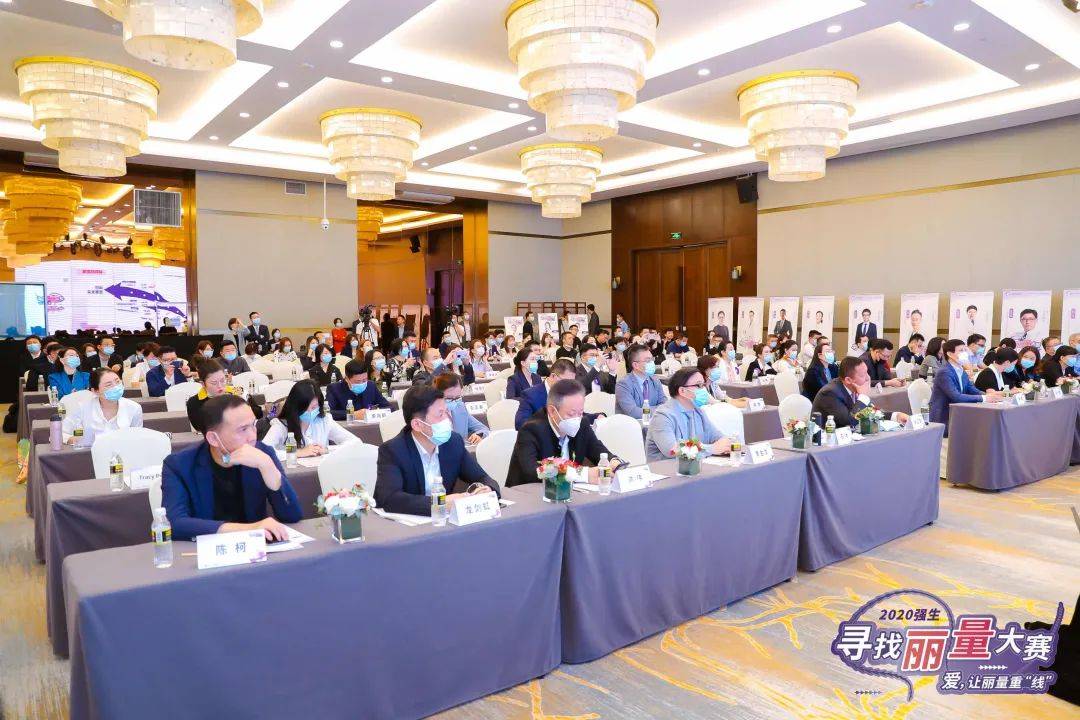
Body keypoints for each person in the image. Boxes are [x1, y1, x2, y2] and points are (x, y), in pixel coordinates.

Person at [162, 394, 301, 542]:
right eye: (243, 429)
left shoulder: (263, 454)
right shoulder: (180, 465)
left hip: (256, 549)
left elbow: (292, 515)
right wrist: (250, 529)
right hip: (206, 549)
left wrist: (269, 468)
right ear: (213, 439)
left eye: (253, 425)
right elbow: (174, 524)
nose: (252, 436)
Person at [374, 384, 500, 514]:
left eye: (446, 412)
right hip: (410, 522)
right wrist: (440, 503)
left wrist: (488, 489)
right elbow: (390, 499)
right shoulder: (392, 450)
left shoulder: (453, 442)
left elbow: (482, 477)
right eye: (440, 415)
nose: (448, 419)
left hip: (445, 520)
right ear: (417, 424)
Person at [506, 379, 620, 487]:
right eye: (571, 414)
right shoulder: (530, 430)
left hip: (570, 493)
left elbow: (598, 449)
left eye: (580, 412)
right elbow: (532, 472)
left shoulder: (582, 423)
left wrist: (614, 462)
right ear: (552, 411)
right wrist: (582, 474)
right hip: (528, 494)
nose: (576, 419)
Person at [645, 368, 732, 461]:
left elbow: (719, 438)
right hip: (666, 468)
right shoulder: (663, 416)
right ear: (682, 391)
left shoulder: (699, 412)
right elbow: (672, 450)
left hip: (694, 465)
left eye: (703, 385)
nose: (703, 390)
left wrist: (724, 445)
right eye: (699, 385)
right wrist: (711, 449)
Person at [263, 379, 357, 454]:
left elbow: (354, 442)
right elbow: (264, 451)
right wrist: (297, 453)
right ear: (295, 407)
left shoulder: (324, 420)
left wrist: (327, 449)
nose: (309, 412)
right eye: (304, 408)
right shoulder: (282, 424)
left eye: (314, 407)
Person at [812, 357, 910, 429]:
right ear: (848, 380)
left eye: (867, 373)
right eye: (863, 375)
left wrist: (895, 416)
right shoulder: (830, 393)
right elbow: (850, 422)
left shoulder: (854, 388)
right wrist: (863, 397)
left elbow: (870, 412)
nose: (868, 378)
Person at [930, 339, 1003, 431]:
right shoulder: (944, 372)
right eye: (961, 350)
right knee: (980, 427)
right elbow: (956, 397)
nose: (965, 353)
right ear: (950, 354)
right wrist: (984, 398)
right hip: (944, 418)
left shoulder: (961, 370)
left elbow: (970, 388)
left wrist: (989, 396)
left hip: (958, 412)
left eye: (965, 350)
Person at [62, 368, 143, 444]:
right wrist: (73, 439)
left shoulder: (134, 408)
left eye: (117, 381)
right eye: (108, 385)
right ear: (95, 391)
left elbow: (137, 437)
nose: (115, 387)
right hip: (90, 452)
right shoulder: (83, 408)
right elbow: (62, 433)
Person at [186, 359, 262, 434]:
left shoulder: (237, 391)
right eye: (214, 383)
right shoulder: (194, 402)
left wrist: (245, 405)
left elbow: (259, 414)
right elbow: (198, 427)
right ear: (203, 384)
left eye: (222, 380)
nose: (220, 386)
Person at [515, 358, 577, 429]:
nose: (569, 387)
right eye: (566, 382)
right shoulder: (530, 395)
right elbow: (520, 424)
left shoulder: (570, 394)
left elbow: (579, 415)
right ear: (553, 376)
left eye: (572, 383)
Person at [326, 359, 391, 421]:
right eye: (358, 381)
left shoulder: (371, 386)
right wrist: (352, 414)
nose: (361, 383)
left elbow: (389, 407)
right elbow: (327, 413)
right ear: (347, 379)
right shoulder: (334, 389)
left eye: (364, 380)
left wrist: (374, 412)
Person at [433, 372, 489, 445]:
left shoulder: (460, 407)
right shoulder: (428, 414)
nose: (454, 401)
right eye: (449, 398)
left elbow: (483, 429)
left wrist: (479, 435)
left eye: (457, 397)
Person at [615, 344, 667, 418]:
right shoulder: (623, 384)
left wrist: (647, 411)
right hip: (631, 424)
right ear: (635, 365)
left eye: (652, 359)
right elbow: (633, 412)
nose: (652, 363)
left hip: (653, 422)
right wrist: (658, 410)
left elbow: (665, 405)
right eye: (648, 360)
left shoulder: (655, 380)